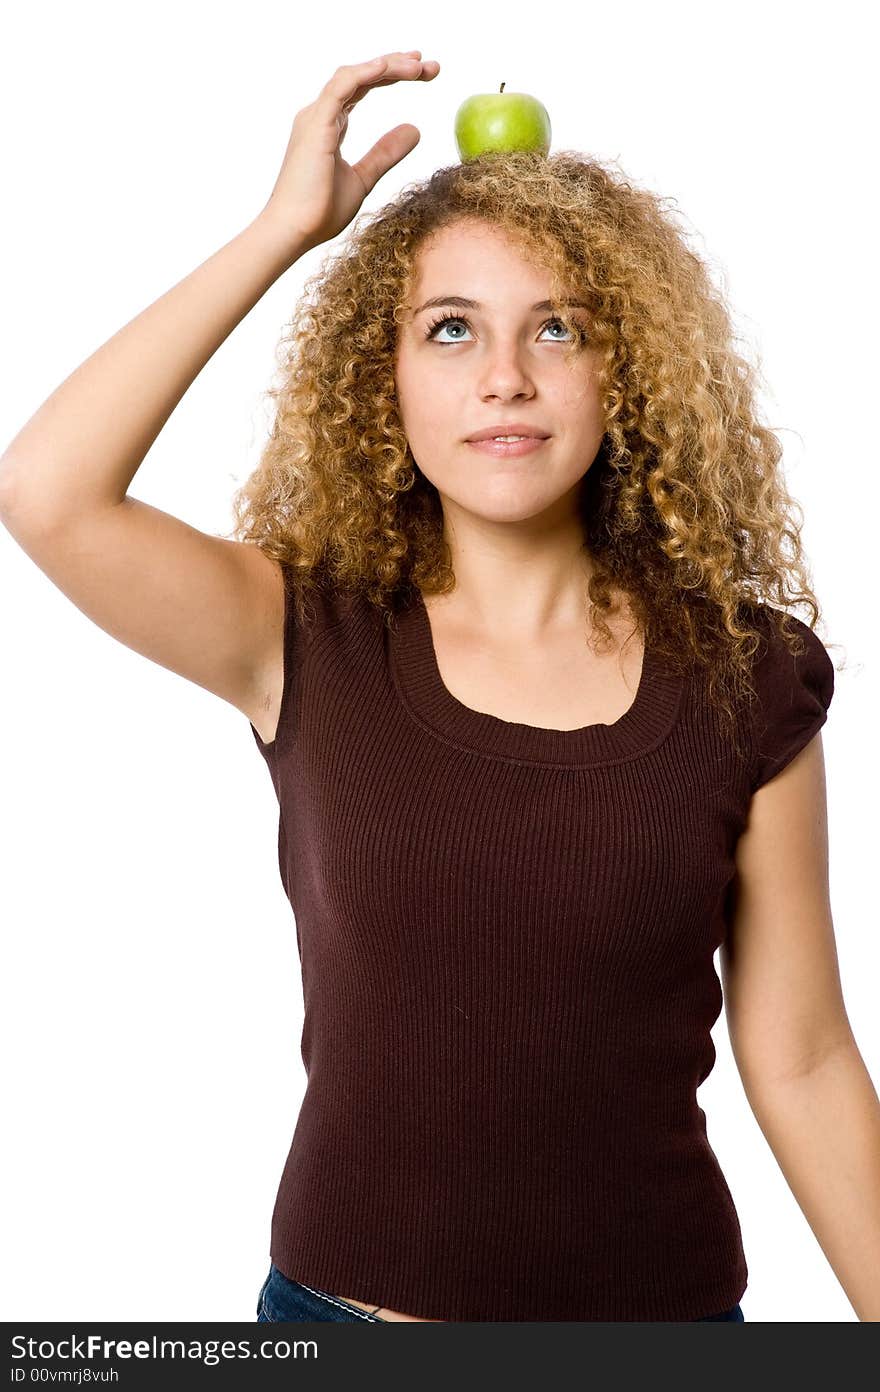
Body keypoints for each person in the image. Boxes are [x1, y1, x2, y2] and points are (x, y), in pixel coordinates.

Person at [1, 48, 877, 1325]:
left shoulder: (746, 675)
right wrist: (285, 230)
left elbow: (798, 1058)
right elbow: (47, 494)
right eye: (449, 328)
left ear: (621, 373)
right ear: (384, 372)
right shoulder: (301, 634)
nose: (504, 377)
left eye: (557, 327)